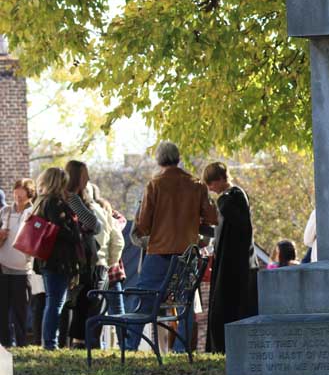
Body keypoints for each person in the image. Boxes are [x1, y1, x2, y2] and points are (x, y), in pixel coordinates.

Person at [126, 142, 218, 352]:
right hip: (187, 254)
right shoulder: (196, 185)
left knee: (145, 302)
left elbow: (142, 224)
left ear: (159, 160)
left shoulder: (155, 185)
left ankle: (130, 346)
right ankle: (180, 350)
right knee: (185, 305)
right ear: (178, 158)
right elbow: (212, 218)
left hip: (159, 252)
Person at [202, 162, 259, 353]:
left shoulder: (234, 196)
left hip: (236, 266)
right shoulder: (227, 199)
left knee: (231, 307)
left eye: (211, 183)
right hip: (227, 263)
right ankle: (220, 347)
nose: (210, 189)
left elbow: (238, 224)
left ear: (220, 179)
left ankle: (227, 347)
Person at [31, 168, 83, 350]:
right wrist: (75, 233)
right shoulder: (54, 203)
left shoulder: (41, 201)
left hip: (47, 259)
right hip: (57, 260)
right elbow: (58, 229)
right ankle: (50, 343)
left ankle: (50, 342)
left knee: (53, 301)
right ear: (58, 182)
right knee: (55, 302)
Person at [65, 162, 111, 349]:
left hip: (86, 255)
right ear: (77, 176)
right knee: (85, 300)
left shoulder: (77, 198)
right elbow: (94, 223)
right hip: (83, 258)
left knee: (83, 300)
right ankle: (81, 342)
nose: (88, 179)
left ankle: (79, 341)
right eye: (85, 175)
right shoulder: (73, 199)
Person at [0, 178, 36, 346]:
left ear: (29, 196)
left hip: (23, 270)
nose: (18, 199)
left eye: (22, 197)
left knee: (20, 311)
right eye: (16, 195)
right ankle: (5, 343)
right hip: (3, 267)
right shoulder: (5, 212)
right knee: (3, 310)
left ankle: (22, 344)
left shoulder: (34, 213)